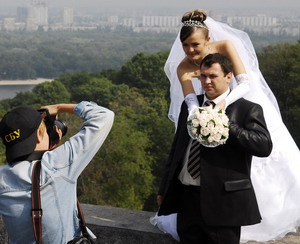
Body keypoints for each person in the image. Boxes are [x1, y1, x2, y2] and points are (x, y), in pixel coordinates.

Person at [154, 9, 300, 242]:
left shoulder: (227, 49)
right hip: (192, 192)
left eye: (195, 45)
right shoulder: (183, 67)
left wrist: (220, 110)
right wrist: (199, 116)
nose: (190, 51)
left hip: (233, 100)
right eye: (185, 45)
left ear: (207, 40)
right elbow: (190, 101)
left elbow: (243, 82)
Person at [157, 53, 273, 244]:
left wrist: (226, 125)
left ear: (229, 77)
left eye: (213, 76)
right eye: (203, 76)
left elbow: (263, 145)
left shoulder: (247, 109)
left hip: (224, 203)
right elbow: (177, 148)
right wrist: (164, 188)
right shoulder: (190, 106)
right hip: (187, 199)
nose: (207, 81)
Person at [0, 101, 114, 243]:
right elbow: (104, 115)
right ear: (39, 135)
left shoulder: (3, 176)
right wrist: (59, 108)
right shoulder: (57, 164)